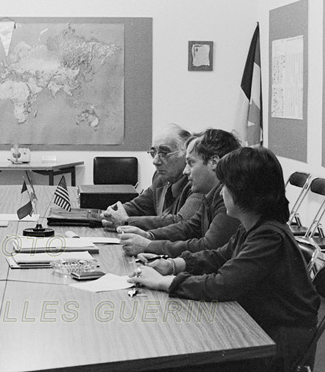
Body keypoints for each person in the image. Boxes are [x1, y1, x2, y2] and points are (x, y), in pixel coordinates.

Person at [128, 147, 320, 372]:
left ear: (243, 192)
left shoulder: (269, 237)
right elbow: (218, 256)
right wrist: (172, 264)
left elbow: (222, 284)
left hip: (274, 344)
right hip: (256, 324)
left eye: (226, 187)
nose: (221, 193)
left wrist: (162, 282)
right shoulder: (254, 227)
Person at [120, 128, 241, 257]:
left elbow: (208, 247)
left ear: (214, 162)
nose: (186, 171)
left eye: (191, 163)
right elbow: (189, 228)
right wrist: (149, 235)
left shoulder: (230, 198)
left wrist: (150, 245)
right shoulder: (212, 194)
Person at [101, 124, 203, 230]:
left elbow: (180, 223)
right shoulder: (160, 178)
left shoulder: (198, 183)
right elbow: (139, 206)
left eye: (164, 153)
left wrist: (127, 221)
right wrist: (112, 213)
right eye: (154, 153)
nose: (155, 161)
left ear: (186, 155)